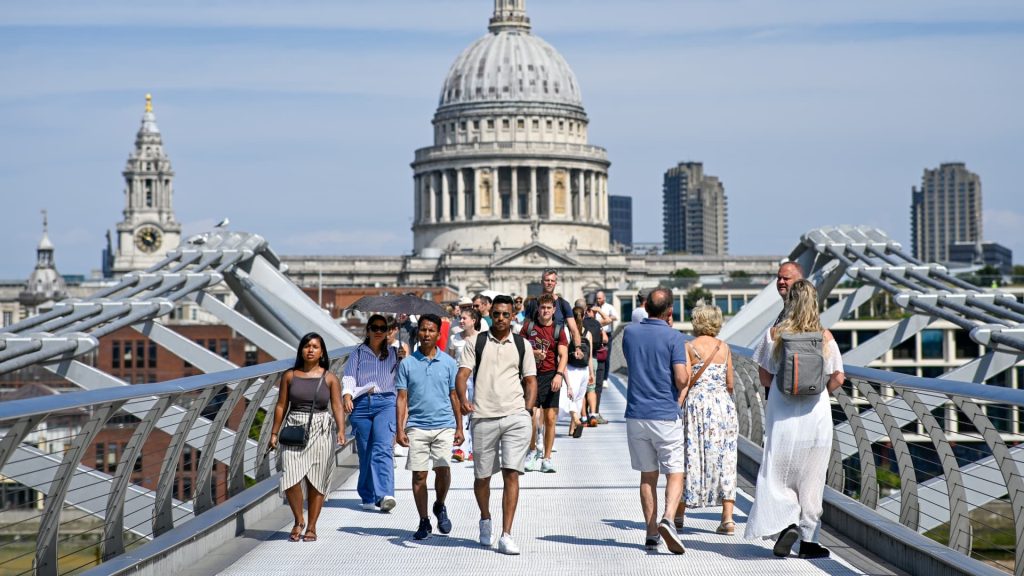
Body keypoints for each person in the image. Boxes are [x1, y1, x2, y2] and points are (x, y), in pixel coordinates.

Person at [743, 279, 845, 559]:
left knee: (778, 475)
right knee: (812, 480)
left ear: (789, 303)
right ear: (815, 304)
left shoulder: (774, 334)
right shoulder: (825, 337)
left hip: (783, 416)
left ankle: (786, 524)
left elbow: (764, 376)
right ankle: (810, 542)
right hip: (816, 418)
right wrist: (818, 391)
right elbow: (838, 377)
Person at [456, 294, 538, 555]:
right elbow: (462, 375)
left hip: (515, 416)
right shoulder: (475, 342)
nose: (501, 318)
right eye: (498, 314)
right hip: (483, 416)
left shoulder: (522, 344)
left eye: (506, 314)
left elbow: (531, 380)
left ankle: (506, 534)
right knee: (482, 476)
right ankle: (485, 518)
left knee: (511, 473)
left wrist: (527, 410)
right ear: (491, 314)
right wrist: (463, 399)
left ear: (513, 315)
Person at [621, 287, 688, 554]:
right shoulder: (675, 337)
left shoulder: (629, 333)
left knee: (647, 476)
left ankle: (651, 533)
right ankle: (668, 519)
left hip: (636, 414)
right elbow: (681, 379)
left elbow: (633, 361)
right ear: (670, 311)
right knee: (675, 471)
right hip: (665, 414)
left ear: (645, 307)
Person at [269, 332, 346, 542]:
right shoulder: (289, 375)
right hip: (294, 427)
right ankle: (298, 520)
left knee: (316, 481)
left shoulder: (329, 378)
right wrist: (274, 433)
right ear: (301, 350)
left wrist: (340, 430)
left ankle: (311, 526)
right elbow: (281, 405)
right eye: (306, 346)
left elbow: (337, 406)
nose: (310, 350)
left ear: (322, 353)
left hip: (321, 429)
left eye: (315, 347)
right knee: (290, 476)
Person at [396, 314, 464, 540]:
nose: (426, 334)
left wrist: (460, 427)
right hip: (417, 426)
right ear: (419, 333)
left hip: (444, 424)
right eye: (423, 330)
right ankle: (424, 520)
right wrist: (399, 429)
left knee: (443, 469)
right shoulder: (406, 363)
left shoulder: (448, 363)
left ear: (438, 334)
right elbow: (402, 398)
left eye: (431, 330)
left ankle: (440, 504)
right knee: (419, 476)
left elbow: (454, 395)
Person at [676, 303, 738, 535]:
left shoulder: (689, 347)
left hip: (696, 407)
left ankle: (680, 514)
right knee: (726, 459)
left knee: (689, 457)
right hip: (722, 407)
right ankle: (728, 519)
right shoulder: (724, 347)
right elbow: (730, 383)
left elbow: (683, 380)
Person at [343, 314, 406, 512]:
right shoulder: (358, 353)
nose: (379, 331)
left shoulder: (396, 353)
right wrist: (346, 395)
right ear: (368, 330)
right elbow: (349, 377)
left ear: (388, 332)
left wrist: (403, 361)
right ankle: (368, 495)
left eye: (383, 328)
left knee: (383, 447)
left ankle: (385, 494)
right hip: (361, 403)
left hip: (386, 402)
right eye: (375, 328)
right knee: (365, 452)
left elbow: (403, 380)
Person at [520, 293, 569, 473]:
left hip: (550, 376)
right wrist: (533, 354)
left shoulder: (558, 330)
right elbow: (519, 349)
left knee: (549, 419)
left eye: (549, 308)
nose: (545, 311)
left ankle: (547, 458)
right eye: (543, 307)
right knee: (531, 418)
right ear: (538, 309)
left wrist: (559, 375)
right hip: (531, 376)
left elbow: (563, 355)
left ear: (554, 310)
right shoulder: (528, 327)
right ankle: (532, 450)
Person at [523, 269, 584, 362]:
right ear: (542, 282)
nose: (549, 283)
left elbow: (574, 330)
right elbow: (525, 329)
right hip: (536, 354)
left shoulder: (563, 304)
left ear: (556, 283)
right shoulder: (532, 303)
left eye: (552, 281)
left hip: (557, 355)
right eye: (547, 280)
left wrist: (578, 348)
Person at [448, 308, 482, 462]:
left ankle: (475, 449)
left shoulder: (481, 338)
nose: (461, 321)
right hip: (459, 379)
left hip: (477, 379)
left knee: (476, 414)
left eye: (464, 319)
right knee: (461, 413)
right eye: (460, 318)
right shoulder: (455, 338)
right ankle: (460, 448)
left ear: (473, 321)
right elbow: (450, 360)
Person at [560, 305, 594, 438]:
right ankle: (572, 429)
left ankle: (576, 421)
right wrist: (592, 373)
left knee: (569, 397)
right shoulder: (588, 333)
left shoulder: (567, 331)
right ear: (584, 316)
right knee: (579, 399)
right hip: (584, 369)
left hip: (571, 368)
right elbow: (590, 356)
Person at [578, 300, 607, 427]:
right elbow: (605, 339)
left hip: (577, 362)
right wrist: (599, 311)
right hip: (593, 358)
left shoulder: (574, 325)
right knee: (592, 389)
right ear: (588, 310)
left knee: (581, 391)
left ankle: (583, 418)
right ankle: (593, 415)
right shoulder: (596, 323)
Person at [591, 290, 618, 392]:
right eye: (597, 298)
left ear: (604, 298)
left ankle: (605, 378)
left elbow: (615, 317)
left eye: (600, 298)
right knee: (595, 356)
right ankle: (596, 376)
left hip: (607, 335)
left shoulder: (609, 307)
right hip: (596, 335)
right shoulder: (593, 307)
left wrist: (604, 319)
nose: (598, 300)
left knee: (606, 357)